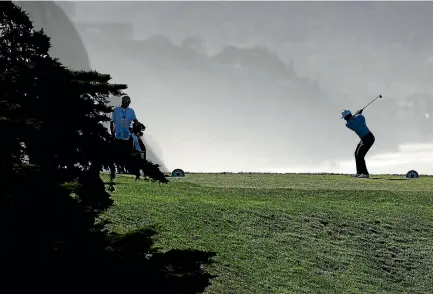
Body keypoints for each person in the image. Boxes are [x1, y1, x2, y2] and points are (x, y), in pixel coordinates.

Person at [341, 108, 375, 178]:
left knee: (360, 155)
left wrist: (357, 113)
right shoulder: (359, 117)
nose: (344, 119)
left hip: (368, 138)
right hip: (366, 138)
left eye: (344, 118)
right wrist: (358, 113)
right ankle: (359, 172)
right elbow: (359, 117)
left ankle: (365, 173)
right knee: (356, 154)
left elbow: (352, 120)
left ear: (346, 117)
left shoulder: (348, 124)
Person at [110, 95, 138, 172]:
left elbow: (135, 120)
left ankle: (127, 167)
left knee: (127, 152)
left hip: (127, 135)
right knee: (118, 152)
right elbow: (112, 122)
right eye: (126, 102)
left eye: (129, 102)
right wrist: (112, 133)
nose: (128, 103)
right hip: (118, 135)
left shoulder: (131, 111)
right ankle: (119, 167)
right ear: (122, 101)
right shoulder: (116, 110)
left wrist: (137, 125)